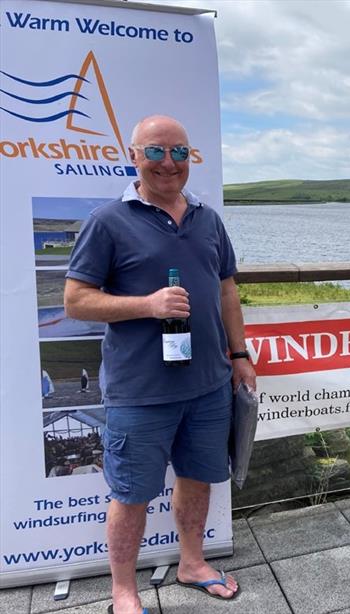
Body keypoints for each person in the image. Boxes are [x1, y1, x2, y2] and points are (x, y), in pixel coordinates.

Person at [64, 115, 256, 614]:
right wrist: (147, 305)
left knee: (198, 478)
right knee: (131, 494)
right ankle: (123, 592)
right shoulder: (107, 221)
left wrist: (240, 357)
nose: (168, 163)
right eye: (155, 152)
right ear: (133, 155)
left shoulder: (208, 219)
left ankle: (192, 563)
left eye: (178, 153)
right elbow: (76, 301)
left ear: (190, 158)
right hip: (140, 391)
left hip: (209, 385)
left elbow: (226, 290)